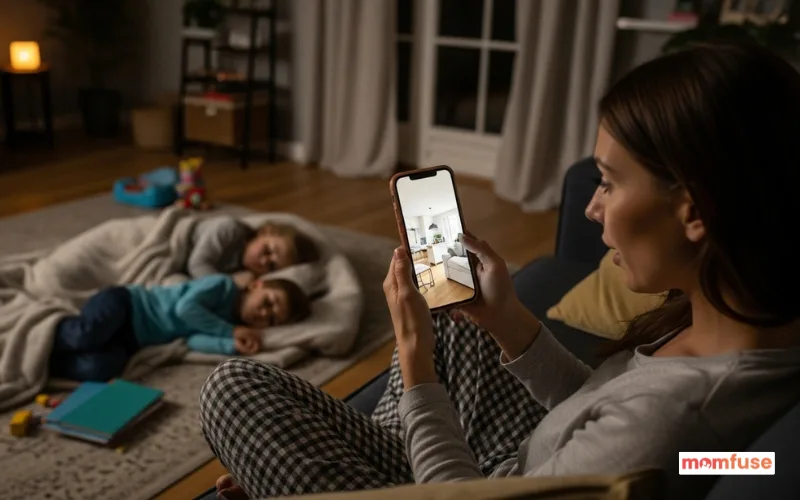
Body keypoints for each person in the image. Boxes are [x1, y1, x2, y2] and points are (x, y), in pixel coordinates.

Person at [198, 42, 800, 500]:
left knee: (233, 391)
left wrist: (413, 362)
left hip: (475, 484)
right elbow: (599, 414)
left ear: (696, 210)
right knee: (462, 314)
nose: (592, 206)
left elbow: (639, 435)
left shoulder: (676, 420)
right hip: (521, 458)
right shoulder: (738, 328)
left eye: (609, 184)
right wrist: (507, 317)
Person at [48, 275, 311, 382]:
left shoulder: (232, 327)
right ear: (256, 285)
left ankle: (46, 362)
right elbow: (185, 309)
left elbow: (192, 340)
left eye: (272, 319)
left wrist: (230, 345)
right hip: (127, 304)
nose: (264, 314)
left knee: (101, 369)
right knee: (88, 334)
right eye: (268, 303)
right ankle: (47, 335)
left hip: (132, 340)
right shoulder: (223, 287)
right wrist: (228, 333)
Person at [187, 217, 320, 279]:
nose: (263, 262)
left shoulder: (247, 273)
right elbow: (198, 264)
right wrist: (230, 288)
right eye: (267, 251)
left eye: (271, 266)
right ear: (264, 232)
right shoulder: (229, 229)